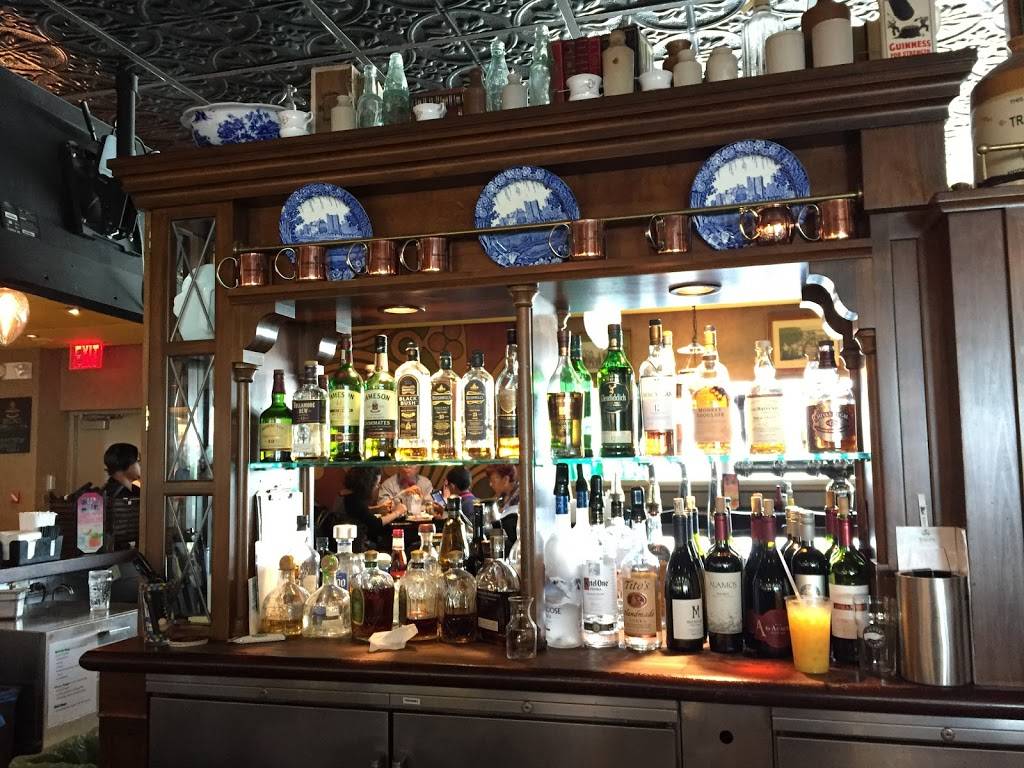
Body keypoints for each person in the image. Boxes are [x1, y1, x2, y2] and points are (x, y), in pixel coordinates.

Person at [331, 467, 405, 552]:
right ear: (367, 484)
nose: (378, 487)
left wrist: (377, 509)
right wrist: (397, 512)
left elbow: (358, 513)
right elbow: (375, 524)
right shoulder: (353, 500)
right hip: (352, 546)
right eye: (377, 484)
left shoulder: (346, 495)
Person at [486, 464, 519, 548]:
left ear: (506, 479)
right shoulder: (502, 496)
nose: (490, 484)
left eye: (493, 481)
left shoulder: (519, 498)